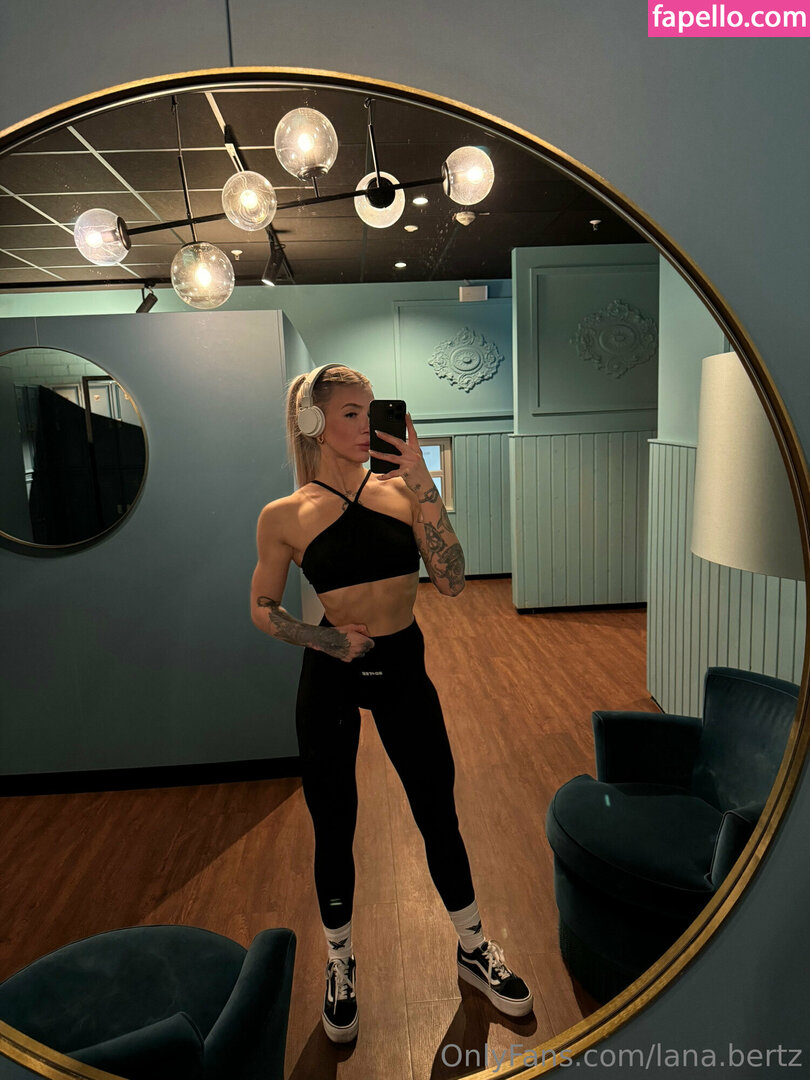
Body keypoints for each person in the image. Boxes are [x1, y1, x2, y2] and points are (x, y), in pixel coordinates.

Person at [250, 364, 532, 1043]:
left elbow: (453, 581)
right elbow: (262, 607)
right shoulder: (285, 515)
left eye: (372, 411)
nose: (368, 424)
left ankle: (473, 948)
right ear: (313, 423)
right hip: (332, 673)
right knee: (333, 820)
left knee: (437, 810)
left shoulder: (403, 493)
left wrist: (422, 479)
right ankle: (340, 962)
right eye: (350, 412)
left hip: (403, 665)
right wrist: (323, 638)